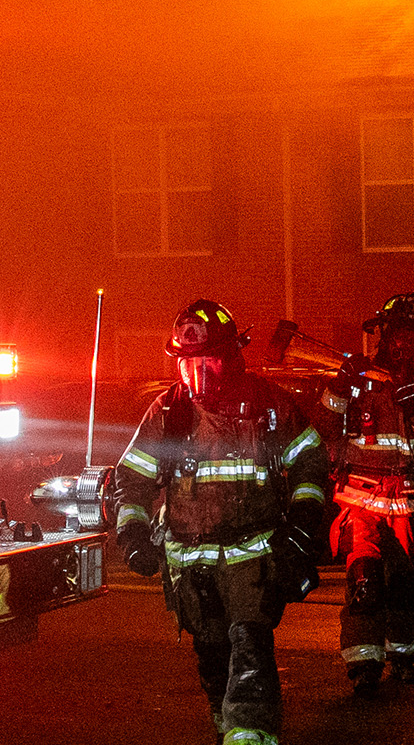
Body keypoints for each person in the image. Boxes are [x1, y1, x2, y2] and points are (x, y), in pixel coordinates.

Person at [114, 300, 329, 745]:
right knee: (212, 653)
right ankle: (226, 721)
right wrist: (132, 533)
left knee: (250, 644)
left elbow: (310, 462)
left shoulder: (269, 405)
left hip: (254, 557)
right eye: (188, 363)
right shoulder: (167, 412)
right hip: (190, 564)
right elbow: (131, 480)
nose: (198, 373)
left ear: (231, 355)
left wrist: (305, 520)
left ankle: (251, 733)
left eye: (207, 359)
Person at [320, 292, 414, 695]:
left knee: (404, 583)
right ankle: (364, 664)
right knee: (365, 582)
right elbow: (323, 424)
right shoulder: (359, 381)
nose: (410, 343)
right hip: (360, 499)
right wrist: (341, 385)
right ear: (385, 334)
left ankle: (402, 657)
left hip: (408, 504)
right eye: (402, 333)